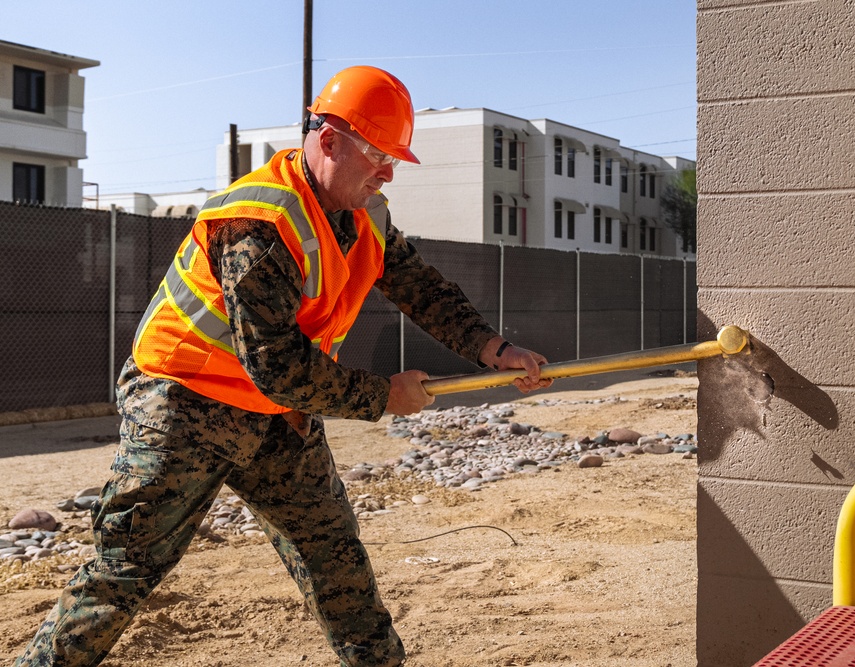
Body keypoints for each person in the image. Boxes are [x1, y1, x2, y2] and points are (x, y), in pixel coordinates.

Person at [14, 65, 551, 667]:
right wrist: (383, 397)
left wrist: (493, 350)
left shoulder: (366, 216)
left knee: (335, 558)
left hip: (274, 415)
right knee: (126, 570)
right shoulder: (258, 225)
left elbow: (419, 285)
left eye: (394, 158)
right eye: (377, 154)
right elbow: (278, 365)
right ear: (328, 141)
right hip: (185, 405)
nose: (387, 171)